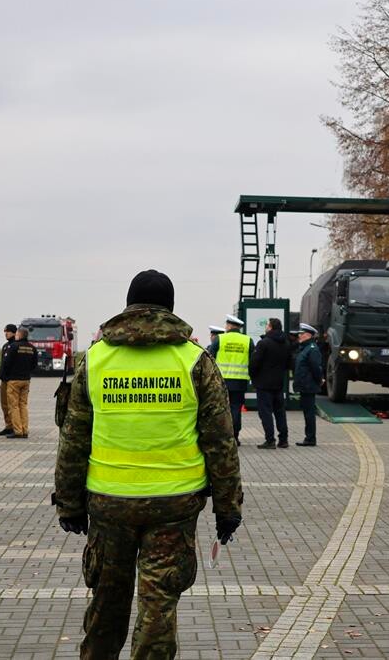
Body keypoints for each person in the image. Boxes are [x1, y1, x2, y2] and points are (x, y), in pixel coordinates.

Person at [54, 270, 242, 659]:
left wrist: (68, 502)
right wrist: (228, 509)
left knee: (107, 602)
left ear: (128, 305)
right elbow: (220, 443)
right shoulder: (195, 361)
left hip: (109, 502)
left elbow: (73, 439)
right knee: (158, 606)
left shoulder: (96, 359)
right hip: (174, 504)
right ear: (170, 308)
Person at [209, 315, 253, 446]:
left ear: (229, 326)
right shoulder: (247, 340)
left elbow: (210, 358)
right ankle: (235, 436)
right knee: (236, 408)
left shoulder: (220, 339)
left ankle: (223, 436)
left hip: (222, 381)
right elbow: (253, 361)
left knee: (222, 408)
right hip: (240, 381)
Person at [250, 317, 290, 449]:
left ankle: (270, 440)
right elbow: (289, 364)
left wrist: (254, 376)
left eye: (267, 325)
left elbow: (254, 363)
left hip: (264, 384)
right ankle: (283, 440)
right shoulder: (286, 343)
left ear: (271, 327)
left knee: (265, 412)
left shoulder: (264, 343)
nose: (265, 327)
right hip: (279, 384)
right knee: (280, 412)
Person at [1, 326, 38, 438]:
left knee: (14, 406)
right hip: (26, 380)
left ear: (19, 335)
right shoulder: (32, 348)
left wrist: (4, 376)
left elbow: (6, 363)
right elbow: (34, 365)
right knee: (23, 405)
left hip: (14, 380)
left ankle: (18, 431)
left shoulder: (13, 347)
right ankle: (25, 430)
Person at [293, 323, 323, 446]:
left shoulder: (312, 349)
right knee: (307, 412)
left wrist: (319, 380)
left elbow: (316, 368)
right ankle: (309, 437)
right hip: (305, 385)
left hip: (308, 386)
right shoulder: (305, 348)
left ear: (308, 335)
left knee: (309, 413)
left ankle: (310, 438)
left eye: (301, 334)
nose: (299, 336)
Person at [0, 324, 17, 436]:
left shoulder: (15, 345)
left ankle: (15, 426)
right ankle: (8, 425)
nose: (6, 334)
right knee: (4, 404)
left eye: (8, 332)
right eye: (5, 332)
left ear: (14, 333)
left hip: (12, 379)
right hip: (4, 380)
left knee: (12, 404)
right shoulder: (5, 346)